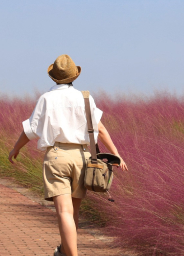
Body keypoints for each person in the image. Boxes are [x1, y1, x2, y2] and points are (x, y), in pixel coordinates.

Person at [8, 54, 128, 256]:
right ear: (74, 76)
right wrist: (117, 155)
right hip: (82, 157)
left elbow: (31, 131)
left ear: (53, 77)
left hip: (57, 156)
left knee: (64, 212)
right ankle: (64, 251)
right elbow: (101, 129)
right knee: (73, 213)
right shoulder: (86, 98)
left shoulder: (46, 98)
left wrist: (16, 148)